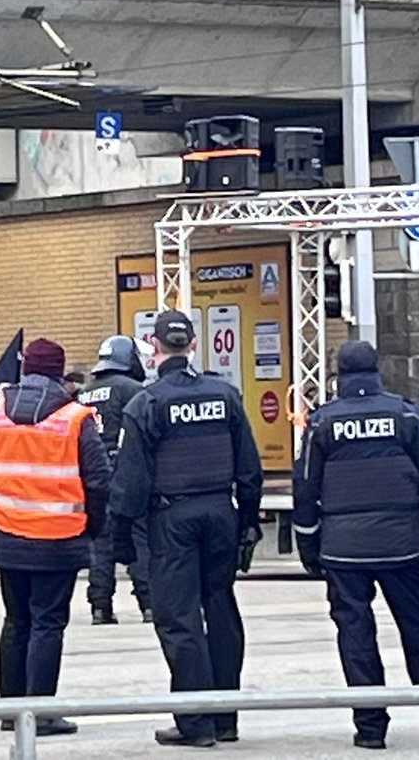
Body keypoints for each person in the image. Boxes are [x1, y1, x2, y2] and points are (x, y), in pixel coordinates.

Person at [295, 340, 419, 750]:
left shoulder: (323, 423)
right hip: (402, 544)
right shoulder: (404, 415)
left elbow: (305, 488)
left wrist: (309, 547)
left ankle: (370, 727)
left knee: (355, 634)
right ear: (377, 371)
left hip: (342, 548)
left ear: (339, 374)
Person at [110, 310, 263, 748]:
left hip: (172, 518)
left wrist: (121, 536)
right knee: (220, 611)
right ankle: (225, 718)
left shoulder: (147, 403)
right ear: (194, 345)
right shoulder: (225, 394)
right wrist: (248, 522)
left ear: (154, 348)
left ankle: (196, 722)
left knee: (179, 618)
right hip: (220, 510)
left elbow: (131, 479)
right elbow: (249, 468)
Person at [0, 337, 110, 737]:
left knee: (16, 622)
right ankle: (41, 713)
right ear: (58, 370)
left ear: (24, 368)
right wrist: (95, 526)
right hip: (58, 538)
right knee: (48, 624)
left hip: (7, 534)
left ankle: (12, 711)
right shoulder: (74, 417)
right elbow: (99, 479)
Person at [78, 335, 151, 625]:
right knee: (139, 539)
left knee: (101, 543)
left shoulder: (84, 393)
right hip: (128, 472)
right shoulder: (134, 390)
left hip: (94, 475)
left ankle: (100, 607)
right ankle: (149, 604)